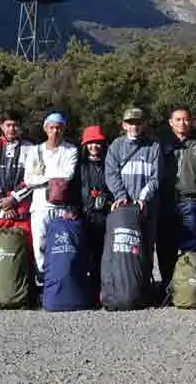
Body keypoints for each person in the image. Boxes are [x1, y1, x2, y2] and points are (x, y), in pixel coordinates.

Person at [158, 105, 196, 289]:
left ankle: (189, 290)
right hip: (166, 203)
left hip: (191, 203)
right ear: (171, 122)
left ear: (191, 122)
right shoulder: (161, 145)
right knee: (165, 249)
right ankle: (168, 288)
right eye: (178, 119)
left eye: (185, 119)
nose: (182, 123)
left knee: (191, 251)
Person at [105, 107, 162, 291]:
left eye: (138, 123)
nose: (134, 126)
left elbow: (156, 177)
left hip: (147, 207)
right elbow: (111, 174)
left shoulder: (154, 147)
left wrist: (143, 198)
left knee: (147, 247)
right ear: (124, 125)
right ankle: (125, 288)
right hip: (124, 209)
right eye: (130, 123)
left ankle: (145, 288)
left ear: (143, 124)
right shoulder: (116, 146)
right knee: (125, 247)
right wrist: (121, 196)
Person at [24, 112, 79, 286]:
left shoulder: (71, 150)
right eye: (52, 127)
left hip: (62, 206)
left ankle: (60, 280)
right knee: (39, 244)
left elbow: (68, 174)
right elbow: (29, 180)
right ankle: (42, 280)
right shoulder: (35, 151)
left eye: (59, 128)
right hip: (40, 206)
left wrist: (42, 176)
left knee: (60, 244)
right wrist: (51, 178)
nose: (55, 131)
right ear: (45, 129)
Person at [0, 110, 35, 246]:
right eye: (8, 125)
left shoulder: (30, 148)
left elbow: (32, 178)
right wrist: (4, 204)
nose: (12, 129)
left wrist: (14, 198)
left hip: (22, 208)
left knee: (24, 248)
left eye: (15, 125)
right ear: (2, 126)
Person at [76, 125, 112, 303]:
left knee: (102, 255)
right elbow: (74, 190)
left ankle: (100, 292)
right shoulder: (80, 166)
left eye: (97, 143)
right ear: (85, 145)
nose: (94, 146)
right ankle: (84, 292)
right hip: (84, 215)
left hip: (104, 215)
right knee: (84, 255)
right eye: (90, 143)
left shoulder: (109, 164)